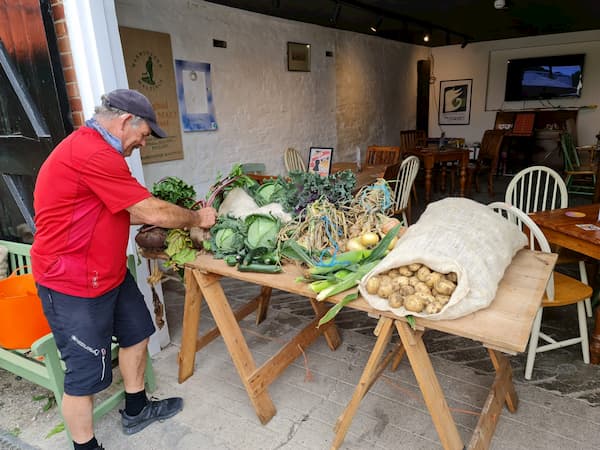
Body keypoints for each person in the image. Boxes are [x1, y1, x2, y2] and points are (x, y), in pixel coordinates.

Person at [31, 89, 217, 450]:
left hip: (108, 273)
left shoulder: (98, 150)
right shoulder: (92, 153)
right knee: (84, 375)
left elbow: (121, 209)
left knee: (137, 333)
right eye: (145, 134)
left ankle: (136, 409)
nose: (144, 144)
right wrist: (197, 218)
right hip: (72, 282)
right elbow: (153, 212)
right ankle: (86, 447)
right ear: (124, 122)